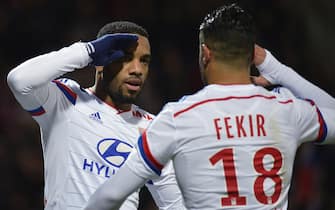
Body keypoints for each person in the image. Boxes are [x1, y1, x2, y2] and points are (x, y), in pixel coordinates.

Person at [83, 4, 335, 210]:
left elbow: (110, 196)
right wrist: (277, 69)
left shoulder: (178, 117)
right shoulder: (286, 110)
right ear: (250, 55)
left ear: (205, 53)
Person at [7, 21, 187, 210]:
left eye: (144, 60)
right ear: (101, 61)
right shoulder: (66, 101)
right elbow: (19, 81)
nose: (137, 69)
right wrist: (87, 51)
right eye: (126, 58)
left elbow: (176, 205)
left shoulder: (152, 128)